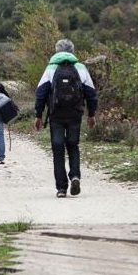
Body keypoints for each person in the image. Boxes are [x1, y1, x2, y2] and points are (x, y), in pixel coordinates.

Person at [34, 39, 98, 198]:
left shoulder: (51, 68)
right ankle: (75, 176)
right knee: (73, 145)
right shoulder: (81, 68)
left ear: (57, 51)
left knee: (57, 148)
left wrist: (38, 115)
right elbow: (91, 93)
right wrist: (91, 114)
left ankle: (61, 188)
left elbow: (41, 93)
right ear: (72, 51)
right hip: (75, 113)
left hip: (56, 114)